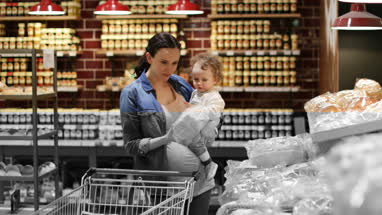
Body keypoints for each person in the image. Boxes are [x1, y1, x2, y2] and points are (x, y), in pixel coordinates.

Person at [120, 32, 217, 215]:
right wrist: (165, 139)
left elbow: (202, 116)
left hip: (200, 182)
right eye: (163, 62)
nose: (170, 69)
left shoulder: (180, 84)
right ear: (149, 57)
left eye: (174, 63)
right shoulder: (132, 93)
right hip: (163, 188)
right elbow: (131, 145)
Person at [167, 53, 225, 180]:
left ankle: (209, 163)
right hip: (196, 125)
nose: (199, 83)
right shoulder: (195, 93)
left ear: (215, 79)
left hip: (207, 129)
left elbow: (213, 111)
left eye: (204, 80)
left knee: (192, 140)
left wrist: (195, 110)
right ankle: (198, 170)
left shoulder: (215, 97)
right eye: (195, 79)